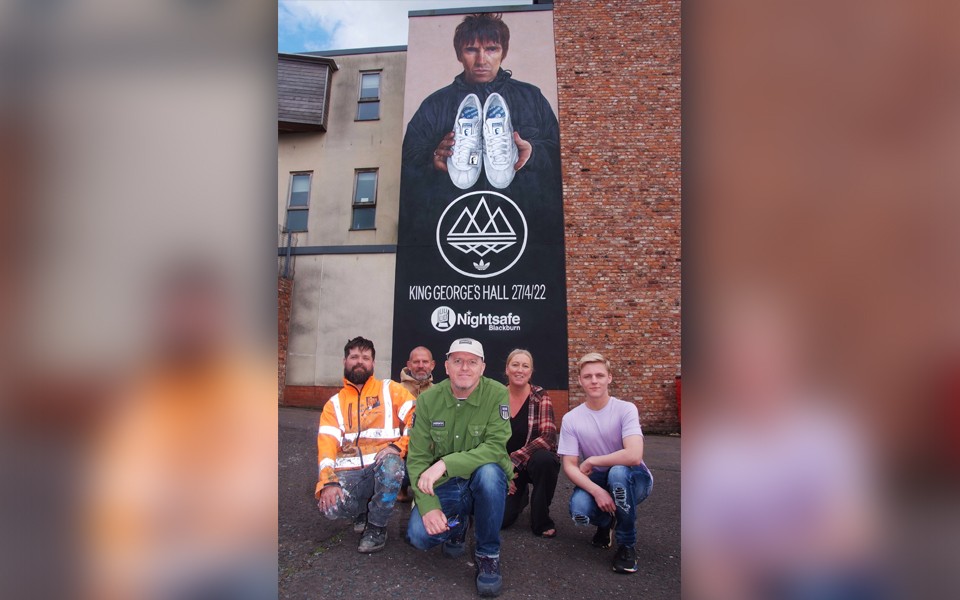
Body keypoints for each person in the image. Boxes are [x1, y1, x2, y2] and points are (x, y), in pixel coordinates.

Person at [400, 12, 563, 240]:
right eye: (471, 50)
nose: (481, 60)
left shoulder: (531, 97)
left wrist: (532, 152)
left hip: (527, 226)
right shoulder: (435, 104)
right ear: (459, 54)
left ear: (503, 52)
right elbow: (406, 161)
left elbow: (562, 155)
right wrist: (433, 158)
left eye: (491, 49)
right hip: (453, 225)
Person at [405, 338, 512, 598]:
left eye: (472, 362)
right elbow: (417, 458)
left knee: (489, 473)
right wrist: (428, 508)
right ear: (446, 366)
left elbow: (496, 447)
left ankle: (488, 555)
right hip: (448, 484)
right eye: (458, 361)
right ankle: (458, 524)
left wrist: (444, 463)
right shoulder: (429, 399)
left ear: (482, 367)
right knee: (419, 536)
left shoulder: (497, 393)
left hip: (481, 478)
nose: (465, 368)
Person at [316, 337, 416, 554]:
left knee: (392, 466)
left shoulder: (390, 390)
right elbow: (326, 447)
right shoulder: (333, 405)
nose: (359, 362)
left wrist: (400, 446)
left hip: (384, 467)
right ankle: (363, 510)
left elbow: (417, 417)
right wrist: (327, 481)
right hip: (351, 473)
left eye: (365, 358)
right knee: (330, 508)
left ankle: (377, 527)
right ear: (344, 361)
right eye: (354, 357)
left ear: (373, 363)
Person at [558, 353, 654, 574]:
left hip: (634, 477)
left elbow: (634, 455)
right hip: (599, 479)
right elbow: (570, 465)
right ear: (580, 380)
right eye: (588, 376)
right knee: (579, 512)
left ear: (609, 378)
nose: (594, 380)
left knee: (618, 474)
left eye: (600, 375)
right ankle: (605, 523)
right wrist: (597, 491)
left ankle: (626, 545)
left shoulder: (625, 409)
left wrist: (593, 459)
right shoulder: (572, 419)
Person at [500, 349, 560, 538]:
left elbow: (549, 436)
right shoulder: (496, 396)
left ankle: (541, 519)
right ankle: (520, 496)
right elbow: (486, 438)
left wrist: (514, 459)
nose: (520, 370)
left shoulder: (540, 395)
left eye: (525, 366)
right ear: (507, 369)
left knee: (545, 460)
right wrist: (502, 469)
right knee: (501, 520)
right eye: (515, 365)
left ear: (531, 371)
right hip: (507, 467)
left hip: (531, 462)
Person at [396, 345, 436, 502]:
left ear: (432, 365)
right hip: (403, 449)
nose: (420, 365)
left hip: (430, 450)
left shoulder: (439, 391)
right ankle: (401, 486)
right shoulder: (396, 391)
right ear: (409, 364)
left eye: (425, 362)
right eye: (416, 361)